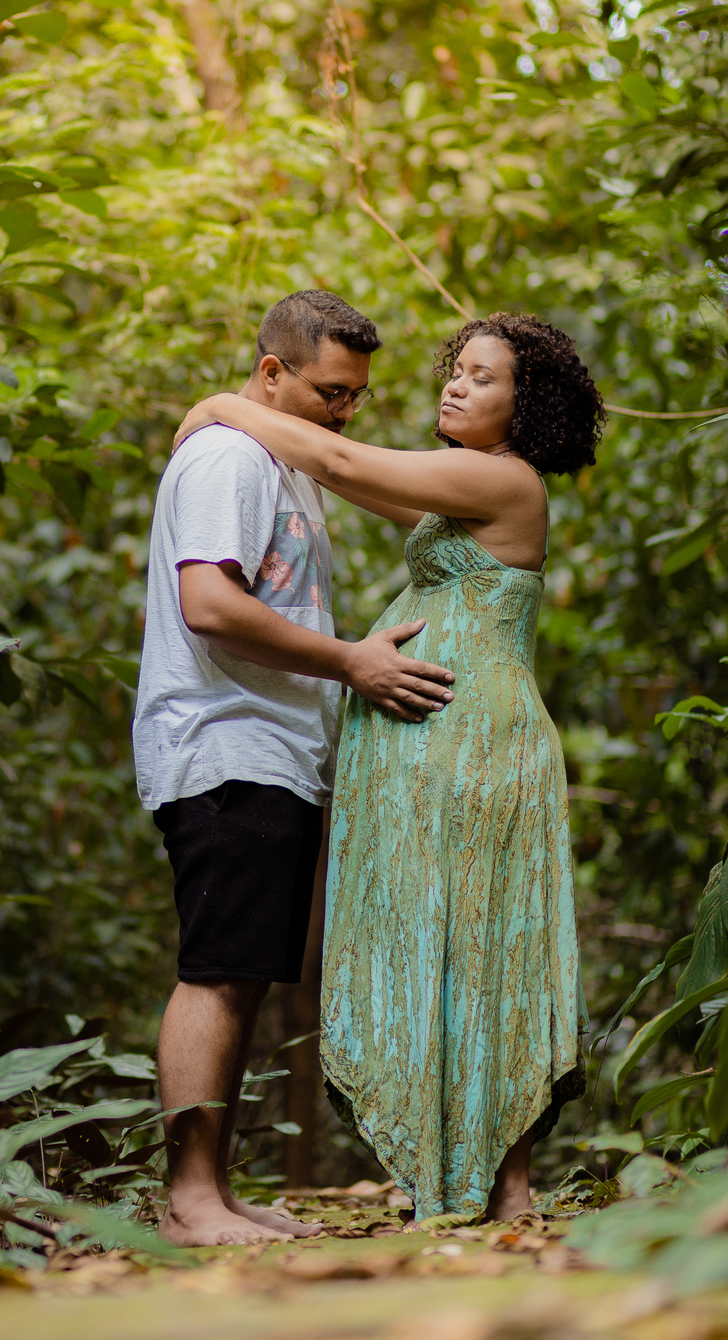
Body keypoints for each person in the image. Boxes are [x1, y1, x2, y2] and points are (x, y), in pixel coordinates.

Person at [173, 312, 603, 1222]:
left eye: (483, 378)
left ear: (525, 411)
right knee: (447, 946)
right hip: (437, 744)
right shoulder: (462, 495)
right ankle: (467, 1183)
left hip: (478, 742)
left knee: (488, 948)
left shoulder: (503, 479)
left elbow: (342, 464)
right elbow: (364, 484)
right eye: (458, 369)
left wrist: (223, 403)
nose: (454, 385)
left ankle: (504, 1185)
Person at [135, 290, 457, 1247]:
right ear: (271, 371)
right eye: (329, 393)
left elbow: (401, 496)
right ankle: (190, 1198)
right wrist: (353, 659)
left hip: (271, 747)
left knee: (241, 972)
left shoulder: (276, 453)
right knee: (217, 972)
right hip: (225, 742)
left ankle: (215, 1192)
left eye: (356, 397)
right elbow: (211, 605)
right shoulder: (231, 456)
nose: (344, 413)